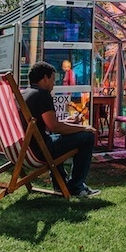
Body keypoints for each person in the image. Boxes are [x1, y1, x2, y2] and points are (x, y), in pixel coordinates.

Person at [22, 61, 100, 198]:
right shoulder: (43, 94)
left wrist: (67, 122)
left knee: (56, 140)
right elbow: (54, 127)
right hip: (40, 150)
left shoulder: (25, 94)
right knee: (87, 137)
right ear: (45, 78)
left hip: (25, 149)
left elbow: (48, 124)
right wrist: (83, 128)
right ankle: (76, 186)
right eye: (53, 79)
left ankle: (60, 185)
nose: (54, 83)